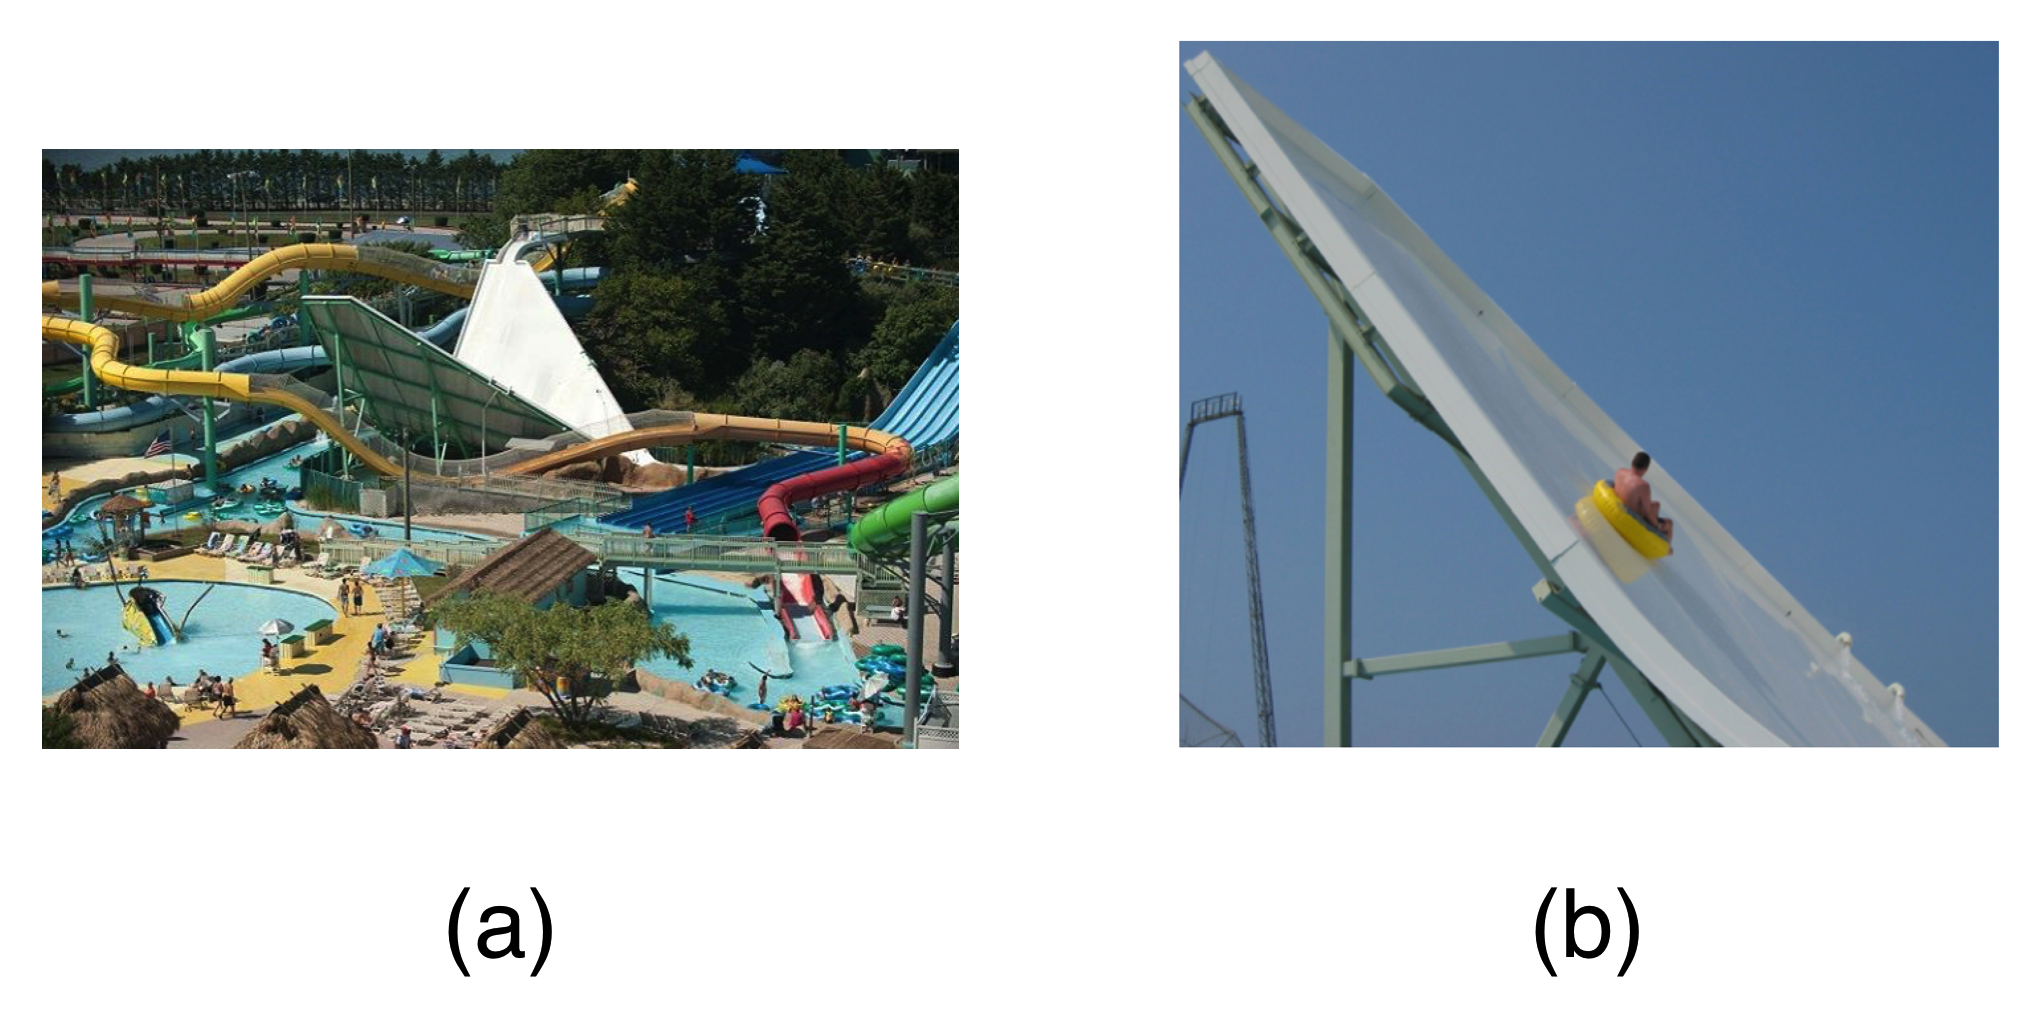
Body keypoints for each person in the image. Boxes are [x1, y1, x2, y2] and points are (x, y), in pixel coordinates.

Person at [1612, 451, 1675, 546]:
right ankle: (1665, 548)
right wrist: (1657, 525)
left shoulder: (1620, 472)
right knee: (1669, 523)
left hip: (1618, 505)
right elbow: (1647, 513)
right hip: (1631, 517)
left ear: (1632, 462)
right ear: (1645, 469)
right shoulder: (1643, 486)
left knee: (1656, 504)